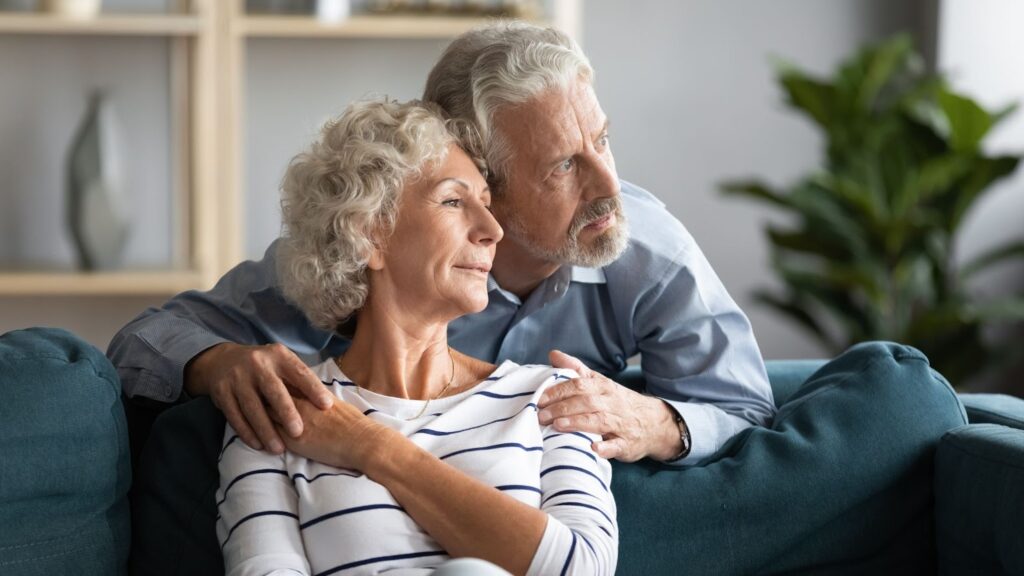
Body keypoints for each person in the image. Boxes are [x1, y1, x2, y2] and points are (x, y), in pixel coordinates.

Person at [109, 22, 776, 467]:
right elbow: (144, 341)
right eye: (563, 167)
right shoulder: (370, 255)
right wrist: (216, 362)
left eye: (600, 139)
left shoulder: (640, 243)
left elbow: (746, 411)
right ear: (480, 178)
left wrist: (657, 424)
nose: (610, 186)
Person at [216, 98, 616, 575]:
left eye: (487, 205)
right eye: (453, 201)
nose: (491, 230)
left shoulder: (550, 397)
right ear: (369, 237)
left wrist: (374, 448)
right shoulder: (285, 411)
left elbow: (583, 569)